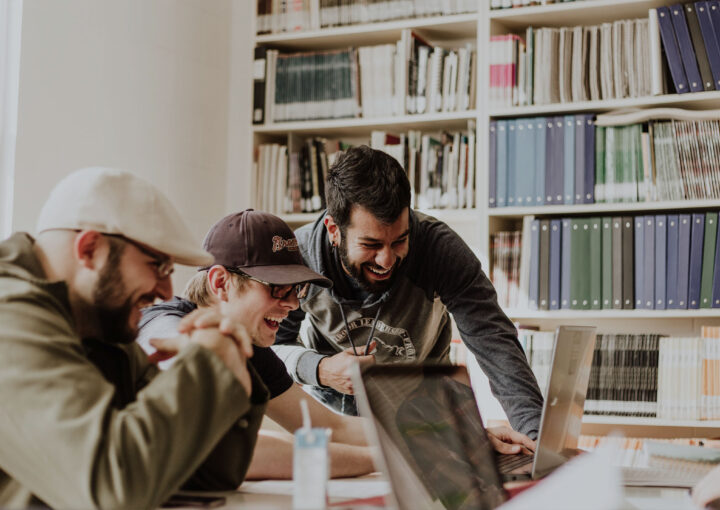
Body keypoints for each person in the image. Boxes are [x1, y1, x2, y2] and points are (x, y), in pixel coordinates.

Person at [0, 168, 264, 509]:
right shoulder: (11, 316)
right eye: (158, 266)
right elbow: (114, 487)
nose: (167, 291)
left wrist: (227, 356)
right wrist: (209, 362)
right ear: (90, 248)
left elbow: (208, 472)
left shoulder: (99, 325)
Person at [274, 145, 544, 449]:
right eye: (371, 244)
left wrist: (537, 440)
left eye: (399, 240)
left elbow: (494, 341)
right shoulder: (298, 257)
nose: (387, 260)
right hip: (336, 427)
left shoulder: (439, 249)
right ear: (334, 230)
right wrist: (320, 369)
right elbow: (272, 349)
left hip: (427, 420)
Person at [138, 209, 375, 479]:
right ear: (221, 283)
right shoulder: (163, 327)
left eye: (296, 290)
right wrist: (383, 461)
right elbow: (227, 449)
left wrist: (417, 438)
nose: (293, 304)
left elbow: (328, 427)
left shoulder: (250, 348)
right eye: (278, 288)